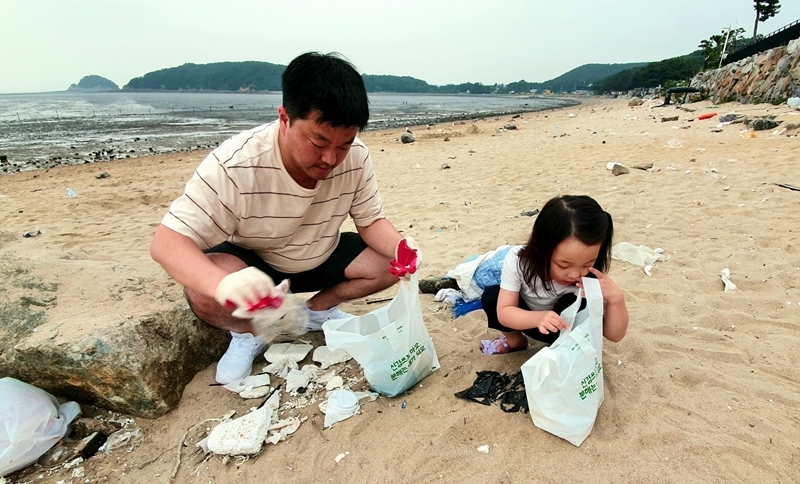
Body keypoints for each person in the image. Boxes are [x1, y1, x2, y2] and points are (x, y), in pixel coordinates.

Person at [150, 52, 418, 384]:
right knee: (202, 289)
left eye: (344, 145)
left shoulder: (357, 157)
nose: (331, 158)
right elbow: (167, 243)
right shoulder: (235, 165)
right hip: (256, 265)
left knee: (388, 261)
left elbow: (370, 221)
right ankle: (249, 333)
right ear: (285, 117)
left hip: (320, 256)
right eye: (318, 141)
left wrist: (402, 247)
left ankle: (316, 311)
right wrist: (224, 285)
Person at [479, 195, 628, 355]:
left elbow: (615, 335)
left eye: (587, 264)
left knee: (575, 303)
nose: (574, 274)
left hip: (565, 332)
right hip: (527, 321)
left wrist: (616, 299)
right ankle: (515, 341)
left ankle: (566, 352)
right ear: (541, 248)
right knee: (492, 297)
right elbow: (504, 312)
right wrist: (538, 318)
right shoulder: (518, 261)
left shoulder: (590, 278)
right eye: (563, 264)